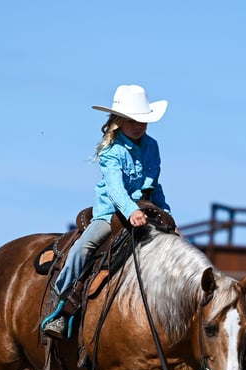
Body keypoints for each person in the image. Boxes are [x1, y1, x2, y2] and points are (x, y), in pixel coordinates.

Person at [42, 84, 172, 339]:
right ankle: (61, 304)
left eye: (143, 121)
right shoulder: (112, 151)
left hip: (146, 211)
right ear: (119, 121)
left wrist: (167, 216)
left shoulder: (152, 146)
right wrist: (131, 211)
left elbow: (155, 185)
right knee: (83, 247)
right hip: (112, 213)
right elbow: (115, 189)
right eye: (134, 120)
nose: (139, 126)